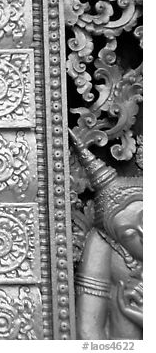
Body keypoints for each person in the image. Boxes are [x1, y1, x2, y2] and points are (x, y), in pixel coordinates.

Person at [70, 131, 143, 339]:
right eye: (129, 233)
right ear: (115, 241)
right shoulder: (105, 244)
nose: (144, 234)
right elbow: (88, 332)